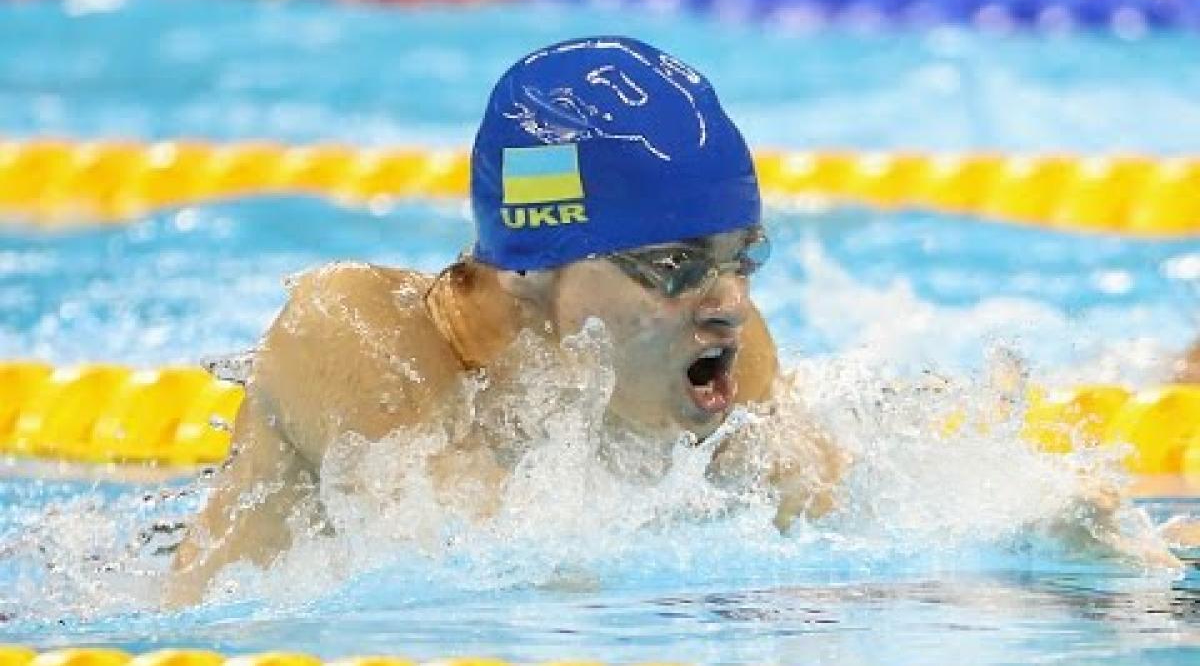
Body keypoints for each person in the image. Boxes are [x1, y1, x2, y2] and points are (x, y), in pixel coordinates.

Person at [167, 36, 1181, 607]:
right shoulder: (354, 333)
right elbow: (476, 579)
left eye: (742, 257)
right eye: (671, 266)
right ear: (531, 269)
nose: (727, 300)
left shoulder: (719, 341)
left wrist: (1030, 549)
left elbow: (834, 515)